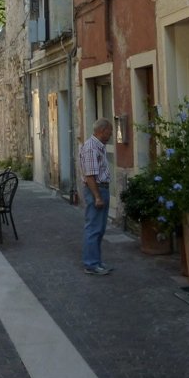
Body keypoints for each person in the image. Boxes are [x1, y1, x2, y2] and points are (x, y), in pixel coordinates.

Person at [79, 118, 114, 275]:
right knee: (93, 228)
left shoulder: (99, 146)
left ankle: (96, 261)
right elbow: (90, 176)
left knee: (99, 228)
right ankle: (91, 264)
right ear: (102, 131)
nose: (111, 134)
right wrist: (97, 197)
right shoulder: (91, 148)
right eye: (109, 131)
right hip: (96, 190)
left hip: (101, 189)